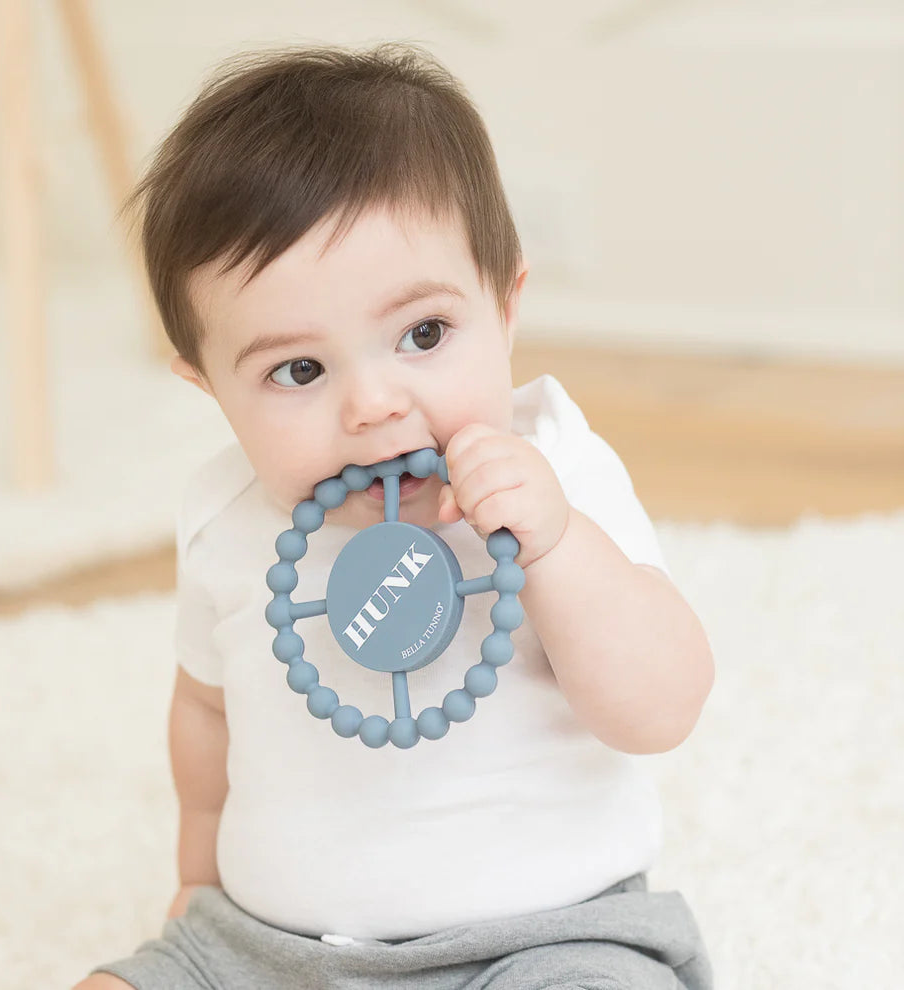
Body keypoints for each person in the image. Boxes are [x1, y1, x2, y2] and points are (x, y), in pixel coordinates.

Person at [76, 43, 715, 990]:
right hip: (269, 946)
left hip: (544, 939)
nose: (373, 403)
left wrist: (557, 545)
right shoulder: (226, 523)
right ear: (209, 388)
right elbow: (205, 713)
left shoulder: (558, 475)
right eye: (298, 370)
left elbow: (662, 709)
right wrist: (194, 885)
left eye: (423, 335)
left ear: (506, 307)